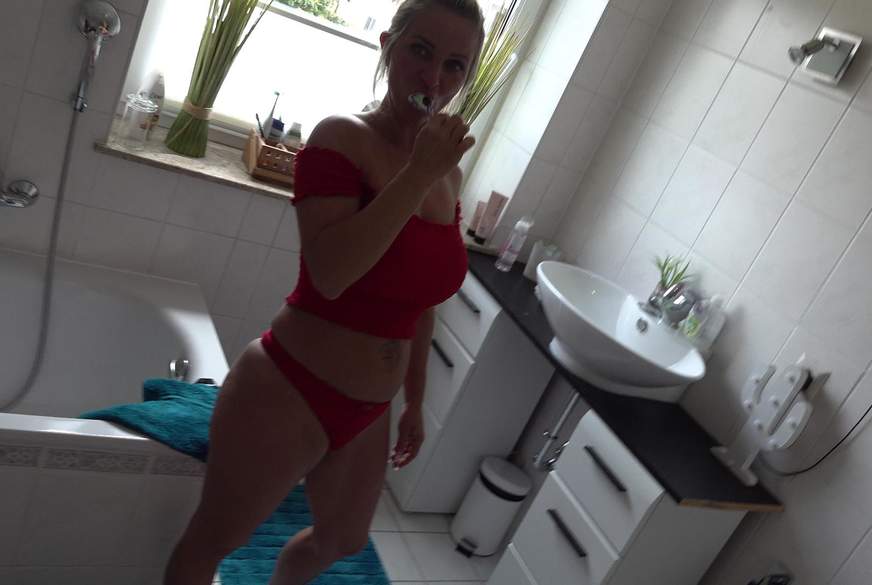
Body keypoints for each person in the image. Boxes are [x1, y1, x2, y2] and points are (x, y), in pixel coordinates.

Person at [163, 1, 485, 583]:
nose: (434, 78)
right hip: (291, 387)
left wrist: (414, 399)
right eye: (420, 50)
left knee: (342, 541)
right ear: (387, 45)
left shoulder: (450, 174)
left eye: (455, 65)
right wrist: (416, 173)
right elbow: (332, 273)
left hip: (370, 408)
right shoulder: (342, 137)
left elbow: (422, 304)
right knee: (215, 540)